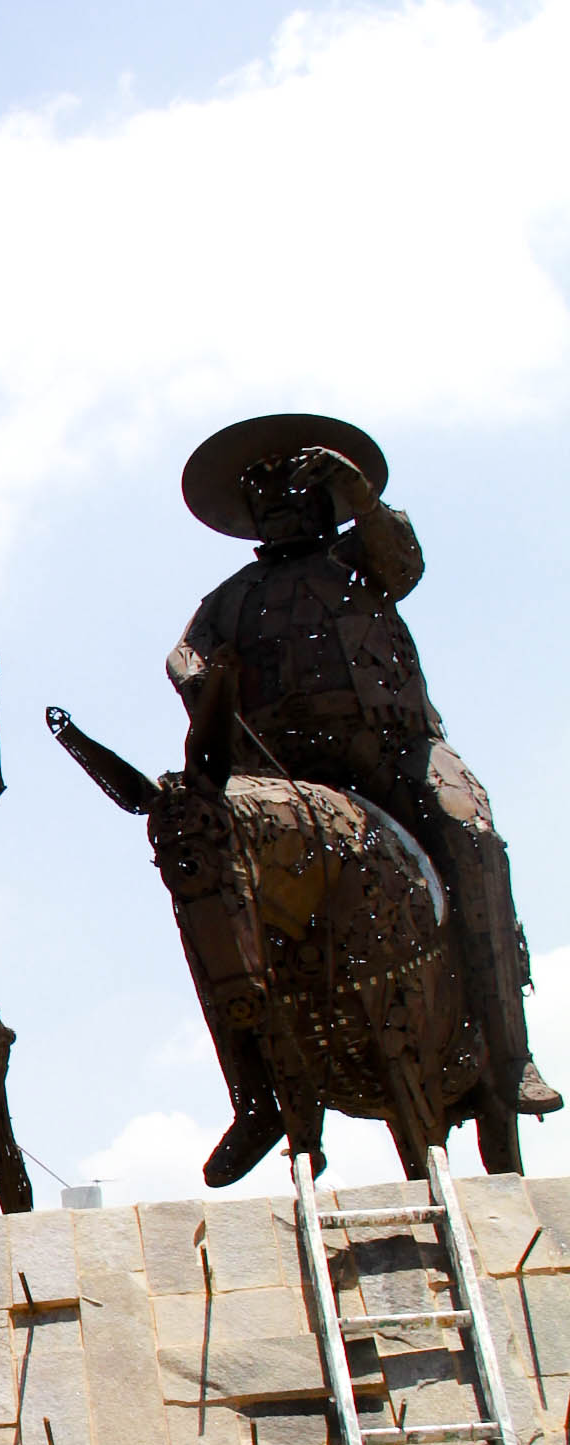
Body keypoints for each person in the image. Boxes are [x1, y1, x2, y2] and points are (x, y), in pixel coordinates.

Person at [170, 414, 559, 1182]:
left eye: (294, 490)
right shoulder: (230, 597)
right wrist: (197, 677)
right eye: (264, 497)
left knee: (471, 833)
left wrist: (362, 494)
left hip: (393, 752)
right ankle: (255, 1098)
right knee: (200, 854)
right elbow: (184, 651)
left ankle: (511, 1055)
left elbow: (404, 561)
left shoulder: (357, 562)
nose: (280, 506)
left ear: (322, 500)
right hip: (284, 774)